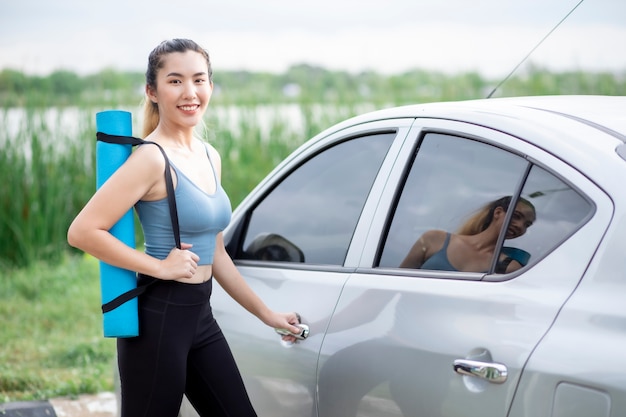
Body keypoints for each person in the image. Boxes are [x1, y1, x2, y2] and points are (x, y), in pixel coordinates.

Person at [67, 38, 301, 417]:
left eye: (199, 80)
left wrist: (267, 314)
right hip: (159, 319)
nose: (190, 92)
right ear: (152, 91)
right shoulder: (149, 158)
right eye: (175, 81)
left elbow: (216, 251)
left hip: (199, 318)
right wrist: (160, 267)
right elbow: (82, 231)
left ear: (210, 85)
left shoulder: (210, 156)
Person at [400, 196, 536, 273]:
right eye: (516, 216)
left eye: (527, 225)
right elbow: (394, 283)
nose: (520, 226)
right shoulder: (434, 239)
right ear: (498, 212)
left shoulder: (510, 267)